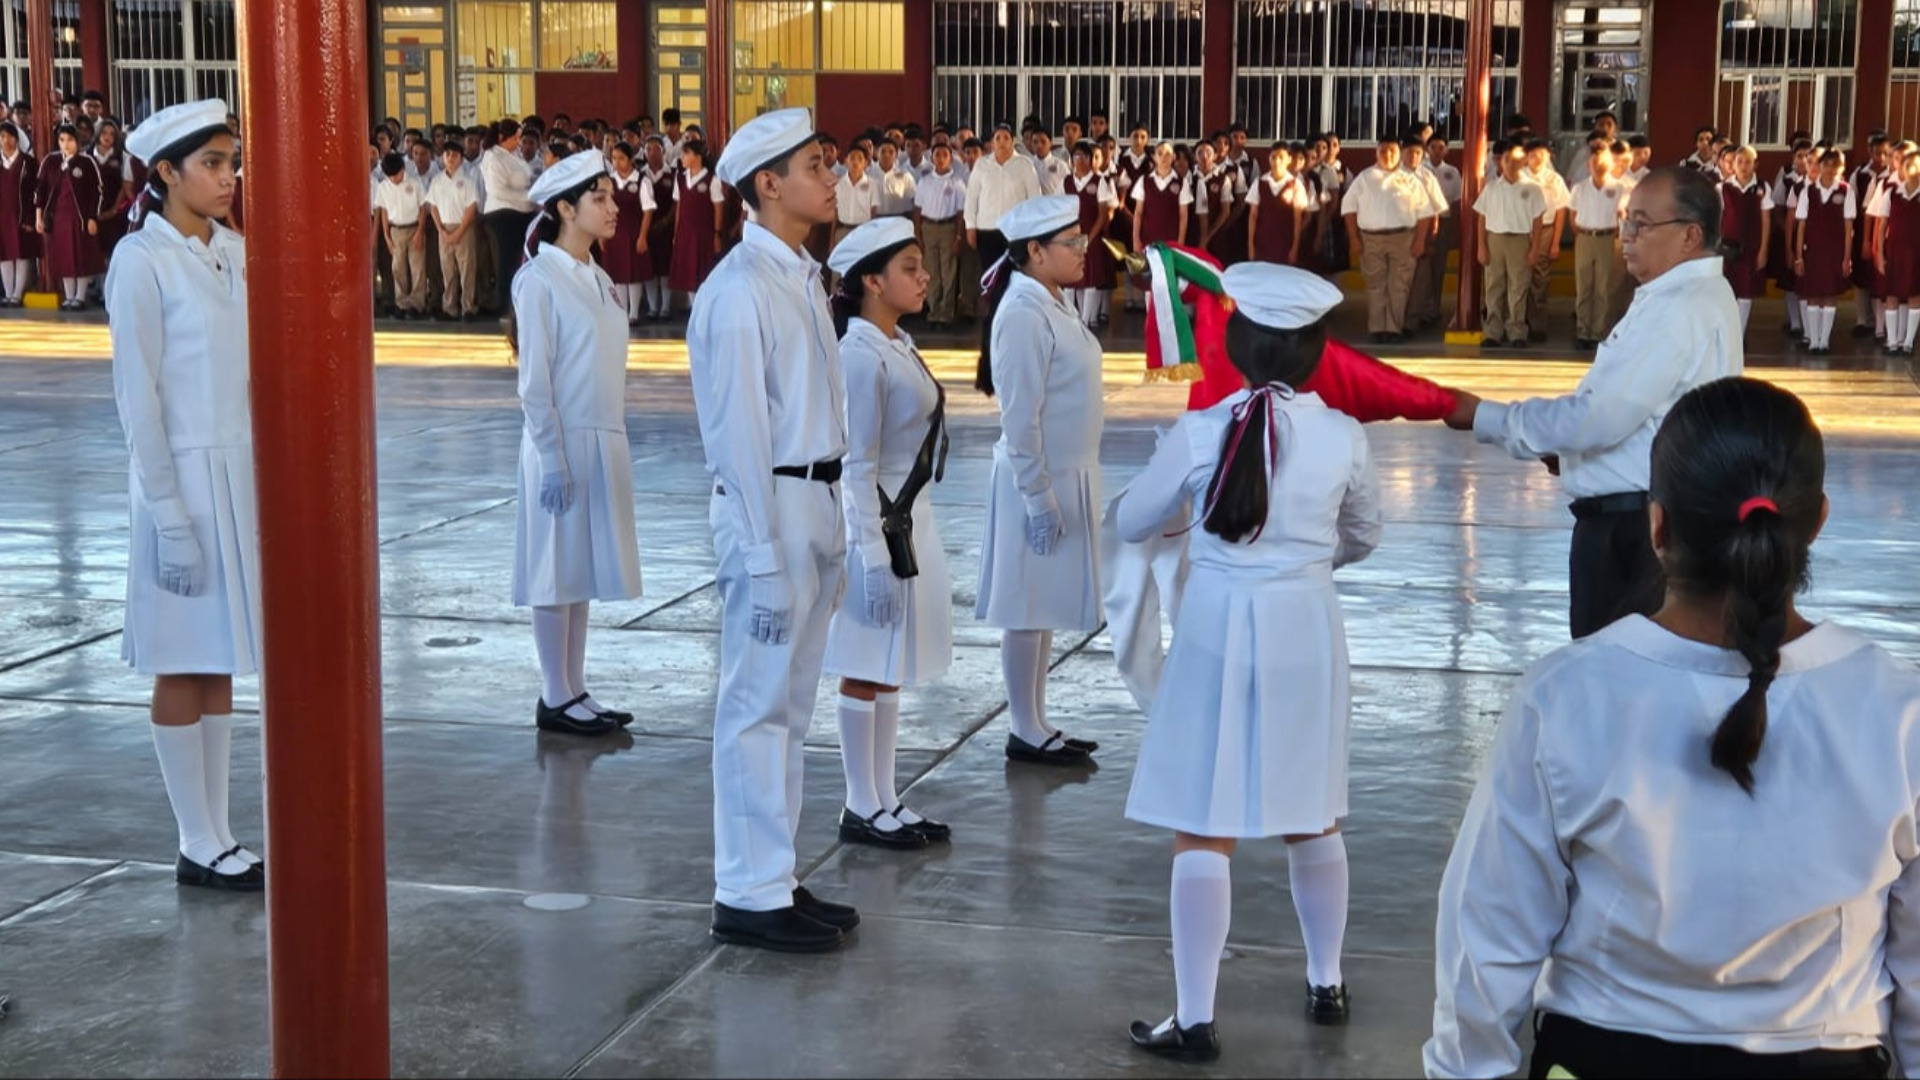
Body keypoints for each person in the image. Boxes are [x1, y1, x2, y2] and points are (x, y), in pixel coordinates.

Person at [1426, 376, 1920, 1080]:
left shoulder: (1565, 697)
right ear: (1815, 523)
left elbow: (1487, 933)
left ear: (1657, 527)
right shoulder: (1897, 710)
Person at [1120, 263, 1381, 1062]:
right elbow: (1364, 535)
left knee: (1204, 822)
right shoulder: (1343, 434)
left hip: (1216, 627)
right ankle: (1327, 982)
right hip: (1306, 626)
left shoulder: (1203, 430)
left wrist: (1183, 505)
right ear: (1316, 353)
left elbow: (1132, 519)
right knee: (1313, 810)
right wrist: (1303, 564)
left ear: (1234, 346)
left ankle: (1195, 1018)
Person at [689, 108, 859, 954]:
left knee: (789, 708)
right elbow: (739, 436)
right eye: (815, 165)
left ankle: (775, 874)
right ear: (768, 184)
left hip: (815, 499)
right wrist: (761, 556)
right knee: (755, 706)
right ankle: (746, 890)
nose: (832, 177)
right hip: (772, 507)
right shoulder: (738, 290)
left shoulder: (800, 276)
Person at [1448, 167, 1743, 639]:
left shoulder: (1675, 308)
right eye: (1627, 221)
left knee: (1614, 664)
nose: (1627, 236)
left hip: (1635, 531)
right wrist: (1569, 454)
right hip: (1651, 514)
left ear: (1690, 235)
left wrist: (1483, 416)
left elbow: (1599, 417)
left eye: (1641, 225)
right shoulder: (1696, 294)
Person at [105, 99, 263, 892]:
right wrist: (168, 515)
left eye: (232, 162)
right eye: (212, 164)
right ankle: (194, 838)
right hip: (179, 484)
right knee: (179, 662)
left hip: (235, 478)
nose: (228, 177)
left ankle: (220, 831)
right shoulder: (142, 261)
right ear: (166, 172)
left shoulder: (233, 251)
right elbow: (139, 399)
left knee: (219, 661)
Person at [821, 218, 951, 852]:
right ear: (872, 281)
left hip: (908, 523)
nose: (923, 277)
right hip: (877, 530)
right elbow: (855, 465)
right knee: (864, 664)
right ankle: (859, 802)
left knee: (889, 663)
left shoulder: (895, 343)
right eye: (908, 267)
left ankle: (884, 797)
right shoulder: (860, 354)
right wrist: (869, 556)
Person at [507, 151, 641, 739]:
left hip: (600, 435)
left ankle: (574, 687)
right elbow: (535, 382)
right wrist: (552, 458)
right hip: (559, 439)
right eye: (599, 198)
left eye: (612, 196)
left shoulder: (600, 278)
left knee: (578, 568)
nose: (613, 208)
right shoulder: (539, 280)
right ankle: (553, 693)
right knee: (552, 568)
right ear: (565, 208)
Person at [974, 194, 1105, 767]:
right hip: (1038, 479)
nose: (1081, 250)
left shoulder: (1052, 300)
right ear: (1035, 251)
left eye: (1081, 239)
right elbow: (1019, 417)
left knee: (1042, 606)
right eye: (1070, 243)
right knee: (1026, 607)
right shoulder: (1023, 314)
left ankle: (1037, 720)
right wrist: (1038, 498)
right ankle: (1023, 728)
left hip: (1064, 473)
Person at [1342, 138, 1434, 344]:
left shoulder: (1410, 179)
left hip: (1403, 237)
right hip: (1371, 239)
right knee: (1376, 285)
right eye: (1383, 151)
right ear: (1376, 153)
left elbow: (1425, 212)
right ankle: (1377, 328)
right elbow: (1348, 208)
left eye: (1392, 151)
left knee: (1399, 285)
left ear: (1399, 153)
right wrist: (1354, 238)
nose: (1388, 155)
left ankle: (1394, 328)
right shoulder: (1365, 178)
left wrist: (1420, 240)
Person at [1474, 141, 1550, 350]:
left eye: (1516, 160)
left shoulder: (1532, 188)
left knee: (1518, 287)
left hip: (1520, 240)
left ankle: (1516, 331)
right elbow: (1481, 218)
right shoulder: (1491, 187)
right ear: (1501, 162)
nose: (1511, 164)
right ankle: (1493, 332)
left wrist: (1534, 248)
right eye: (1507, 160)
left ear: (1523, 161)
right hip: (1495, 239)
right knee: (1494, 287)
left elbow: (1537, 221)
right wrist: (1481, 246)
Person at [35, 122, 105, 310]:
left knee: (81, 257)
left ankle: (80, 297)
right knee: (63, 257)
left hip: (80, 219)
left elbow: (97, 192)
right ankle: (69, 296)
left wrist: (92, 217)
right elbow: (40, 190)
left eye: (70, 140)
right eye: (62, 140)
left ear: (77, 141)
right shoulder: (50, 162)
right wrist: (39, 217)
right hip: (58, 219)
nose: (66, 144)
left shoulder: (86, 162)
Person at [1792, 148, 1855, 355]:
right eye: (1825, 164)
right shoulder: (1808, 191)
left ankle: (1824, 341)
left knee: (1829, 294)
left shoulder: (1845, 190)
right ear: (1819, 166)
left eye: (1833, 165)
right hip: (1813, 251)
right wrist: (1799, 257)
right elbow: (1801, 226)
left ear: (1840, 168)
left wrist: (1846, 257)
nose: (1829, 169)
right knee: (1813, 294)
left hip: (1834, 252)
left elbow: (1848, 228)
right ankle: (1813, 340)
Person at [1568, 142, 1629, 348]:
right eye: (1594, 162)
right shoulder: (1579, 188)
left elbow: (1623, 214)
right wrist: (1579, 234)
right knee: (1584, 286)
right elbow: (1572, 215)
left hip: (1607, 238)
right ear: (1588, 165)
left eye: (1602, 162)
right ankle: (1582, 331)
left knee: (1603, 288)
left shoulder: (1618, 188)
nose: (1598, 165)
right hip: (1585, 237)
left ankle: (1598, 331)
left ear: (1610, 164)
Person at [964, 124, 1043, 280]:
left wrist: (1034, 229)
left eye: (1006, 138)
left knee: (1015, 276)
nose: (1002, 142)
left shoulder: (1025, 164)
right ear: (992, 143)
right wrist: (970, 227)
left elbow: (1035, 199)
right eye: (997, 138)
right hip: (987, 230)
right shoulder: (981, 165)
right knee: (991, 277)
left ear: (1012, 141)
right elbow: (971, 198)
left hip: (1016, 232)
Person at [481, 119, 536, 316]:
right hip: (503, 214)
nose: (518, 143)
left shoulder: (513, 156)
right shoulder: (493, 157)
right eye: (515, 138)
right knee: (507, 261)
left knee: (520, 260)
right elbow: (496, 190)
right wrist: (528, 197)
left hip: (522, 213)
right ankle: (506, 306)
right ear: (502, 138)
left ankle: (520, 302)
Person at [1871, 141, 1920, 358]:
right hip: (1895, 250)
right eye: (1907, 165)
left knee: (1914, 295)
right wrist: (1880, 254)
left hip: (1917, 252)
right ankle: (1892, 342)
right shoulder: (1891, 192)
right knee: (1891, 295)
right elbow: (1882, 225)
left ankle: (1907, 342)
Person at [1062, 139, 1118, 328]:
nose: (1080, 160)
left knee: (1090, 279)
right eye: (1076, 156)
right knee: (1071, 279)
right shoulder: (1066, 182)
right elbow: (1060, 209)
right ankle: (1072, 321)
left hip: (1091, 237)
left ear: (1091, 159)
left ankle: (1086, 321)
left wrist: (1088, 238)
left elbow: (1102, 215)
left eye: (1085, 156)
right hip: (1070, 237)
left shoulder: (1098, 181)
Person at [601, 141, 657, 326]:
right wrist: (601, 234)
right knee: (617, 274)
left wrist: (643, 237)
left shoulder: (642, 181)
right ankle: (621, 311)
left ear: (631, 159)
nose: (617, 162)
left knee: (633, 273)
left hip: (633, 233)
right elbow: (602, 208)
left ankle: (633, 313)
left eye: (621, 158)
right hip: (613, 233)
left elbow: (648, 211)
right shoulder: (608, 181)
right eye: (614, 158)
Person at [1719, 145, 1773, 335]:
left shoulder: (1762, 187)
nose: (1743, 166)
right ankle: (1726, 333)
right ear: (1732, 165)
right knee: (1728, 290)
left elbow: (1766, 220)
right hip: (1728, 248)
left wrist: (1763, 250)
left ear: (1755, 164)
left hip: (1751, 247)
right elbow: (1718, 217)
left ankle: (1739, 334)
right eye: (1739, 162)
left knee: (1746, 291)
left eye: (1748, 162)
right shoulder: (1723, 188)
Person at [914, 141, 967, 328]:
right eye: (938, 155)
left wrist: (959, 236)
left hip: (948, 228)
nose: (941, 159)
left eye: (945, 155)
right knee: (931, 271)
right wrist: (918, 234)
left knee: (948, 271)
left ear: (951, 159)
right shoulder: (925, 181)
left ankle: (947, 312)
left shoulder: (957, 182)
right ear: (932, 158)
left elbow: (961, 212)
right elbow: (917, 210)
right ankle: (933, 309)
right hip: (929, 227)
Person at [1400, 140, 1451, 333]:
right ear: (1402, 152)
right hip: (1398, 232)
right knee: (1398, 281)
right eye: (1409, 152)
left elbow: (1435, 209)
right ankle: (1395, 320)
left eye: (1417, 153)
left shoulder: (1427, 176)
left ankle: (1412, 321)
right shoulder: (1393, 175)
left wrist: (1431, 237)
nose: (1413, 156)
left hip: (1421, 230)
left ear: (1422, 155)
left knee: (1420, 278)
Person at [427, 142, 481, 322]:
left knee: (467, 269)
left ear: (461, 159)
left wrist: (459, 231)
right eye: (447, 154)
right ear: (442, 157)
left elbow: (471, 208)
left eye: (455, 155)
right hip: (443, 228)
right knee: (447, 269)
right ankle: (449, 307)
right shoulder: (437, 181)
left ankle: (468, 307)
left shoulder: (467, 181)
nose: (451, 158)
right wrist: (441, 230)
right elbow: (433, 207)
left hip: (463, 227)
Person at [1523, 138, 1569, 342]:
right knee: (1519, 277)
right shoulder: (1519, 177)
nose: (1538, 158)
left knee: (1540, 278)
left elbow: (1560, 210)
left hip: (1545, 230)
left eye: (1542, 154)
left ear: (1548, 156)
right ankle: (1518, 322)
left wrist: (1556, 242)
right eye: (1533, 155)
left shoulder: (1554, 179)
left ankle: (1537, 324)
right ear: (1526, 157)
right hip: (1521, 230)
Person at [373, 152, 430, 320]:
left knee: (417, 268)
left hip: (414, 227)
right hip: (395, 230)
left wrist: (420, 231)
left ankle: (417, 304)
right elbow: (384, 211)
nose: (394, 179)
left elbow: (422, 208)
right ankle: (402, 303)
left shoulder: (415, 183)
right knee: (398, 269)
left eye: (396, 175)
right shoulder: (383, 187)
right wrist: (386, 236)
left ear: (403, 169)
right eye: (390, 176)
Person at [669, 138, 722, 306]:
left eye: (686, 153)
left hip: (703, 233)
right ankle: (694, 308)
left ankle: (705, 307)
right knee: (688, 273)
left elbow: (718, 208)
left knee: (703, 271)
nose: (682, 157)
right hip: (685, 232)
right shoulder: (680, 178)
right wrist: (676, 232)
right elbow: (679, 207)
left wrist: (717, 234)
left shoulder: (712, 179)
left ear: (698, 156)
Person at [1246, 143, 1307, 267]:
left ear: (1289, 159)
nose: (1277, 161)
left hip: (1285, 242)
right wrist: (1251, 245)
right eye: (1273, 157)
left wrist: (1295, 247)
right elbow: (1253, 215)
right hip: (1263, 242)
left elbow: (1297, 219)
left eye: (1281, 157)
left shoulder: (1296, 185)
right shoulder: (1259, 183)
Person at [0, 121, 35, 306]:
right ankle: (8, 293)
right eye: (2, 136)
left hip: (22, 215)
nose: (6, 140)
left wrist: (31, 218)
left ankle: (17, 294)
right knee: (4, 255)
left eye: (10, 136)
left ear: (17, 138)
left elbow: (35, 192)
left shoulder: (28, 162)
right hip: (2, 216)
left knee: (21, 253)